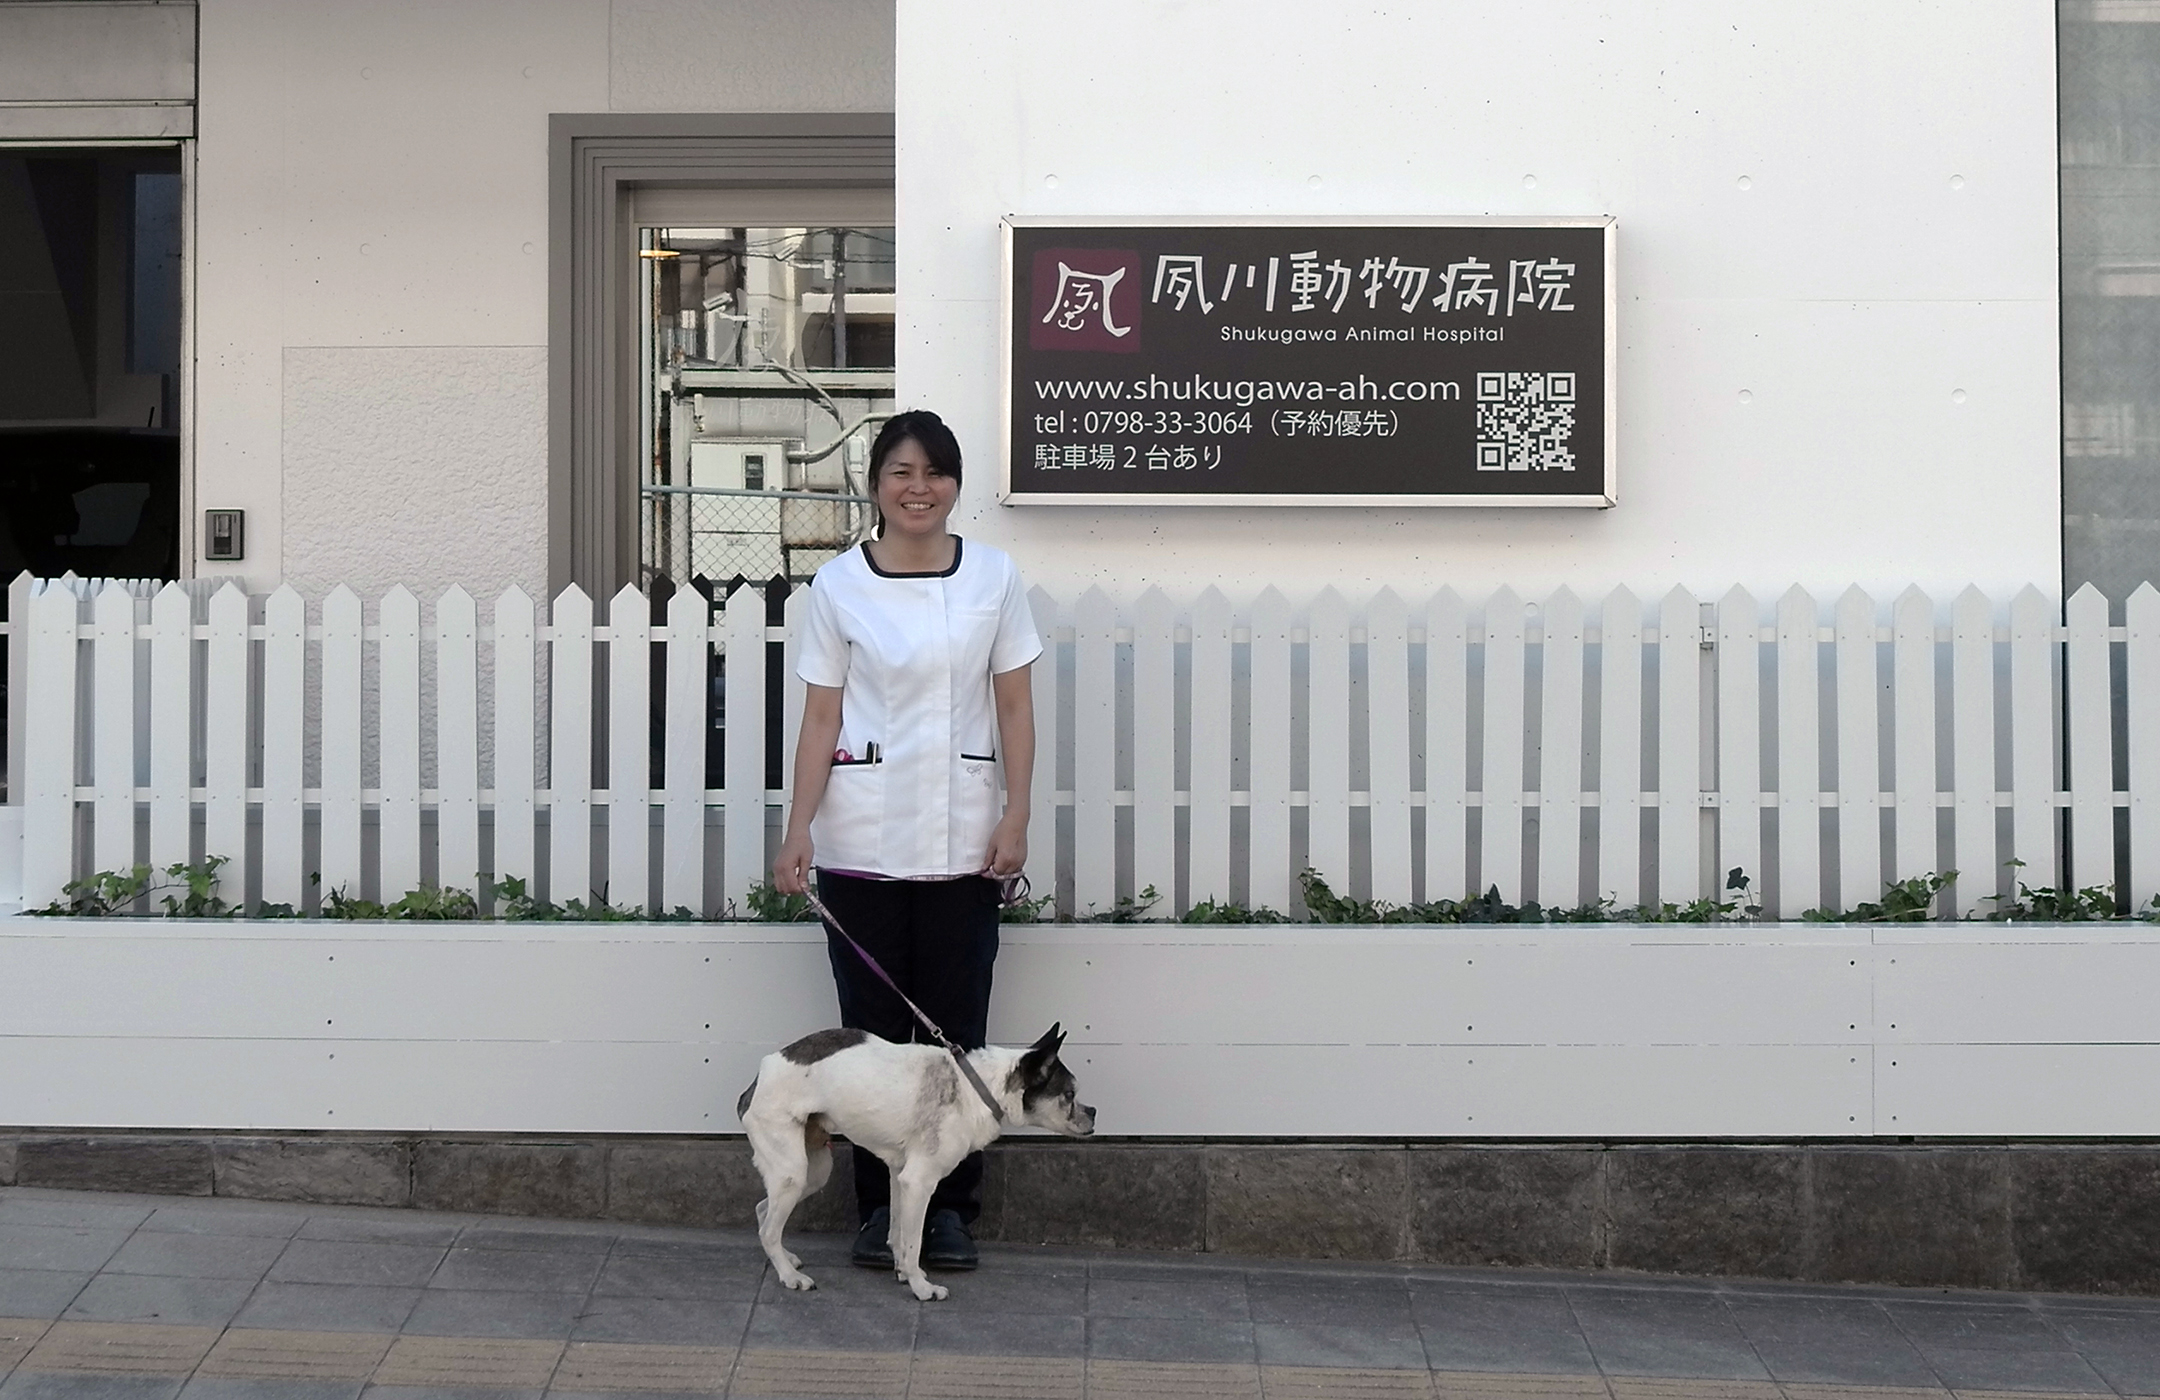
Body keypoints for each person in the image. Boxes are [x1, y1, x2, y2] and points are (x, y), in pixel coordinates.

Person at [771, 409, 1040, 1272]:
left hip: (967, 838)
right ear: (875, 484)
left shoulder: (995, 577)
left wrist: (1017, 813)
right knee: (874, 1042)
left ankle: (950, 1213)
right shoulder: (838, 586)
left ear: (955, 484)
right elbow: (821, 716)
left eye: (933, 471)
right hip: (860, 839)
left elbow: (1014, 708)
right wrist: (797, 827)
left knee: (957, 1031)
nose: (917, 487)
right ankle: (878, 1213)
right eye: (899, 470)